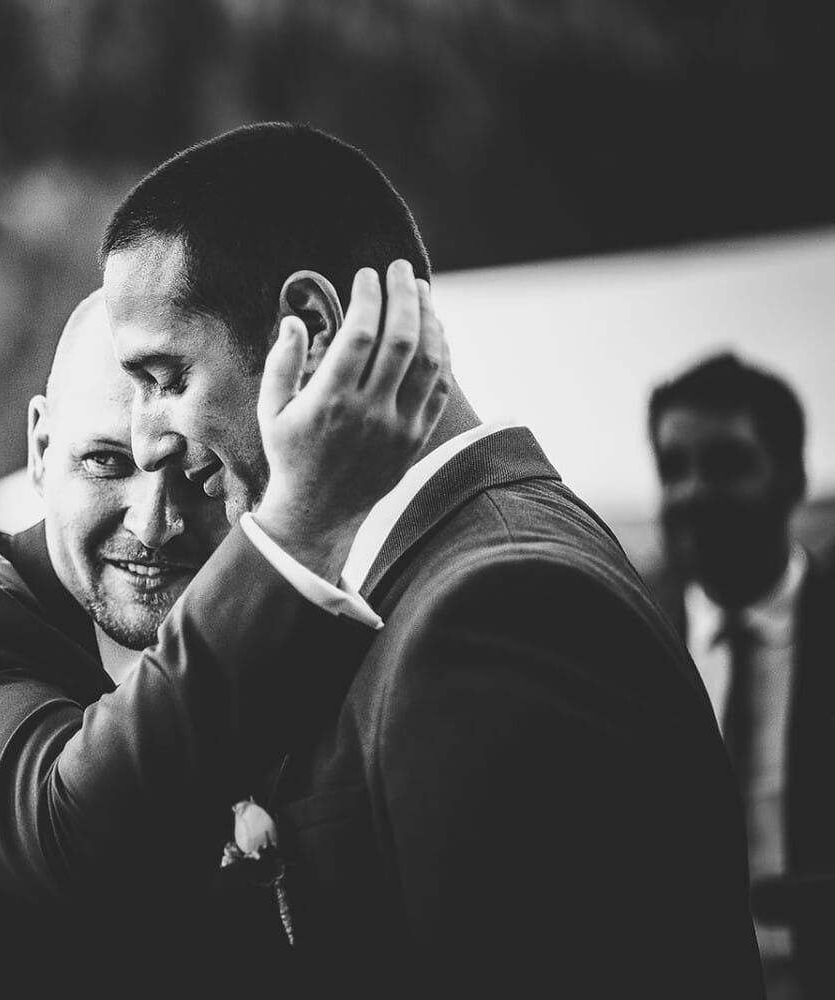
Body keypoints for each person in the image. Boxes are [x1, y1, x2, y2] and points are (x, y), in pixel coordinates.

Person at [99, 121, 763, 999]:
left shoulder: (500, 605)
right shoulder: (444, 571)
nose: (146, 442)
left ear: (307, 325)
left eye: (166, 378)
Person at [0, 286, 447, 998]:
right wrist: (299, 526)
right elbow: (73, 828)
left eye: (198, 474)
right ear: (40, 448)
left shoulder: (295, 640)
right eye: (107, 464)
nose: (154, 523)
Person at [647, 352, 834, 1000]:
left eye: (727, 463)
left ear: (792, 478)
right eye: (674, 469)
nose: (694, 491)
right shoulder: (627, 645)